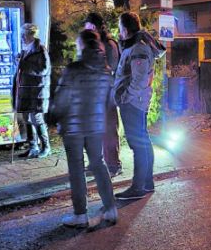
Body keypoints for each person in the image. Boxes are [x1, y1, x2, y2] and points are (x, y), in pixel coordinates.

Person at [51, 30, 117, 227]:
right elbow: (110, 101)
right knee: (98, 163)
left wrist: (53, 116)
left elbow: (61, 99)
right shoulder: (106, 70)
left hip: (73, 126)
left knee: (76, 168)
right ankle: (111, 208)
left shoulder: (73, 69)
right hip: (96, 126)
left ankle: (80, 214)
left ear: (81, 45)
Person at [112, 12, 166, 200]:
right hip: (136, 101)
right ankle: (146, 183)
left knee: (138, 144)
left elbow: (140, 78)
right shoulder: (135, 46)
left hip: (134, 103)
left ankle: (138, 187)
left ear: (125, 29)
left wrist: (126, 97)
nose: (119, 31)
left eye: (120, 27)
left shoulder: (138, 48)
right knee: (143, 141)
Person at [83, 12, 123, 177]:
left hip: (106, 93)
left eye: (87, 26)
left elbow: (111, 67)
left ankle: (113, 165)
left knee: (108, 130)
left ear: (93, 26)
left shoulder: (109, 44)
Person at [14, 23, 52, 158]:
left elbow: (43, 70)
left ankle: (46, 147)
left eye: (23, 35)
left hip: (37, 92)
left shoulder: (40, 49)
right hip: (26, 90)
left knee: (37, 118)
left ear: (31, 35)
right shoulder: (26, 49)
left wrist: (23, 64)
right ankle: (33, 147)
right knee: (27, 118)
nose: (21, 37)